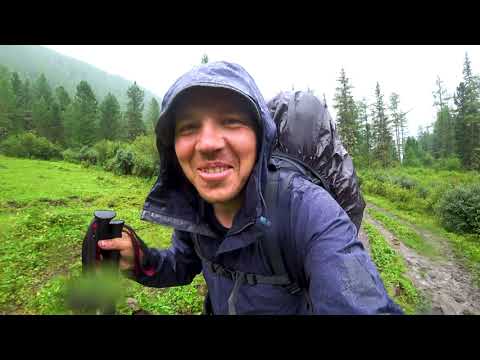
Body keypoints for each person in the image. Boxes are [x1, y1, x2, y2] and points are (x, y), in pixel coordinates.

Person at [98, 61, 403, 315]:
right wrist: (141, 260)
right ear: (172, 146)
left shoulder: (309, 211)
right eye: (189, 127)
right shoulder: (196, 208)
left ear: (261, 139)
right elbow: (181, 264)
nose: (208, 144)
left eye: (231, 121)